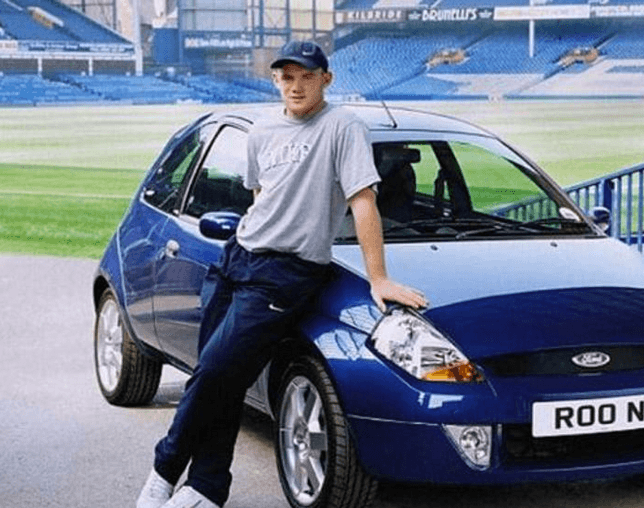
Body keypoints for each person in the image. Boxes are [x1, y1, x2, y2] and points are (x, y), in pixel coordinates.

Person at [136, 40, 427, 508]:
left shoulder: (342, 127)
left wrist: (379, 277)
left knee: (214, 371)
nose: (295, 86)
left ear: (325, 80)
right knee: (216, 378)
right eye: (286, 77)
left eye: (306, 77)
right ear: (276, 80)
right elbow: (261, 198)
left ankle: (164, 469)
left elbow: (363, 202)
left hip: (286, 273)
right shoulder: (263, 130)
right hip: (238, 257)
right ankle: (207, 488)